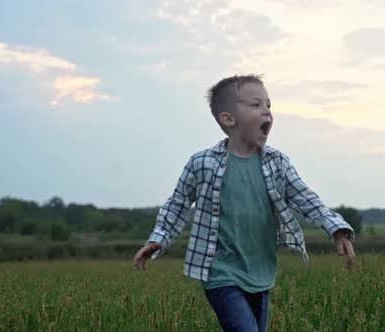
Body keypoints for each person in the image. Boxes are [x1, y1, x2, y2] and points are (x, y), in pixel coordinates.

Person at [133, 74, 356, 332]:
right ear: (228, 119)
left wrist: (336, 228)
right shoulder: (202, 163)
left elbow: (306, 198)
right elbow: (177, 205)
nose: (266, 112)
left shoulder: (277, 163)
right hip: (220, 274)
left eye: (268, 105)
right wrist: (157, 238)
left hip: (260, 273)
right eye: (256, 105)